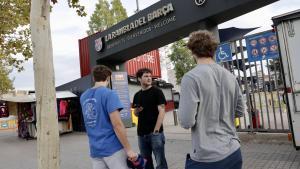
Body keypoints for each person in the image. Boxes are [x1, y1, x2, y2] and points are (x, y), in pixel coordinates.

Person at [178, 30, 246, 169]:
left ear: (192, 51)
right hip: (233, 151)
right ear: (213, 50)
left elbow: (186, 122)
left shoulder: (190, 78)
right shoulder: (230, 76)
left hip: (206, 158)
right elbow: (240, 111)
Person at [80, 65, 137, 169]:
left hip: (95, 150)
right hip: (113, 149)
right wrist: (129, 149)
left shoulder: (83, 96)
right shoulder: (109, 94)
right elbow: (117, 125)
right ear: (108, 78)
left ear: (94, 78)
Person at [133, 68, 168, 169]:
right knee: (146, 162)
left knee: (160, 162)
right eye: (146, 76)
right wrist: (137, 111)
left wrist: (156, 130)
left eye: (150, 76)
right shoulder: (137, 95)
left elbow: (162, 110)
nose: (149, 78)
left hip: (155, 133)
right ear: (139, 79)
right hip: (141, 134)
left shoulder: (157, 92)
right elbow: (136, 114)